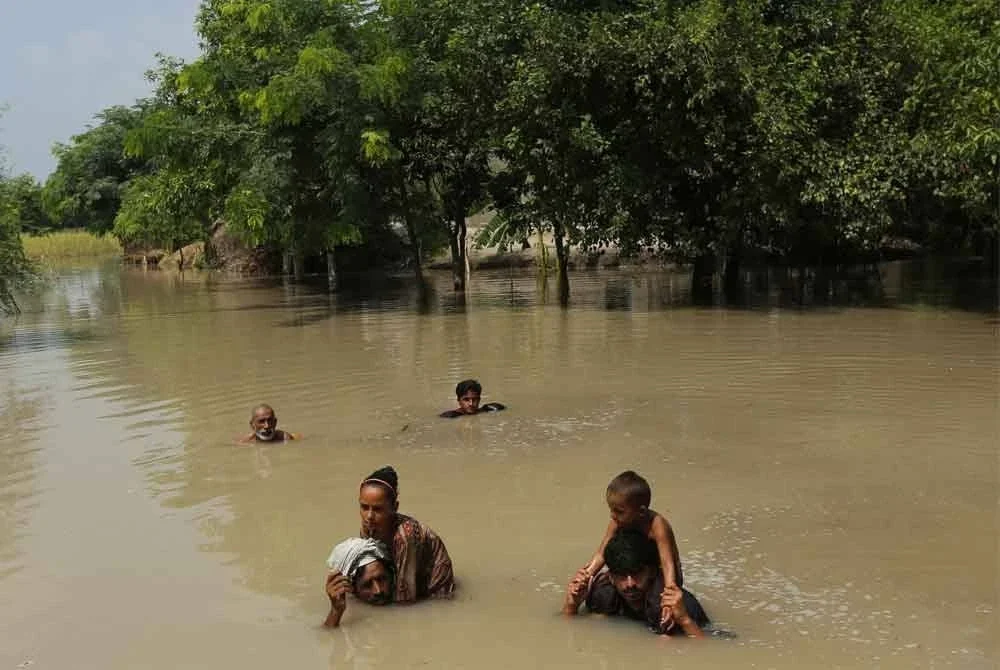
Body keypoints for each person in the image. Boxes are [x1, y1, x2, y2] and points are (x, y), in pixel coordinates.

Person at [582, 470, 684, 628]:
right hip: (633, 571)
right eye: (611, 510)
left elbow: (667, 563)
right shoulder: (618, 521)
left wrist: (669, 595)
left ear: (641, 512)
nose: (613, 516)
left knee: (658, 608)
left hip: (660, 574)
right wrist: (586, 575)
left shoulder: (657, 526)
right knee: (599, 589)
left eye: (619, 511)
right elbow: (602, 552)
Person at [563, 527, 709, 637]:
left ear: (652, 571)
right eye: (621, 576)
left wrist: (684, 620)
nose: (630, 584)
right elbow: (567, 630)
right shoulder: (604, 594)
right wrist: (572, 606)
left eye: (637, 573)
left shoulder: (678, 606)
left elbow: (708, 651)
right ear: (611, 577)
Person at [358, 466, 455, 602]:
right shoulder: (368, 527)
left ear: (395, 508)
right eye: (364, 507)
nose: (369, 516)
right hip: (405, 573)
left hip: (434, 588)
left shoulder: (405, 536)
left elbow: (405, 599)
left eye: (377, 509)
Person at [323, 537, 394, 628]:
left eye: (382, 579)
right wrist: (336, 611)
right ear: (352, 589)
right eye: (367, 585)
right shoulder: (349, 607)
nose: (378, 591)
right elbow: (328, 636)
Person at [439, 379, 506, 418]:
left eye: (474, 399)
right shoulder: (450, 416)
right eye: (466, 399)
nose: (471, 403)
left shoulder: (489, 409)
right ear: (458, 400)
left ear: (479, 399)